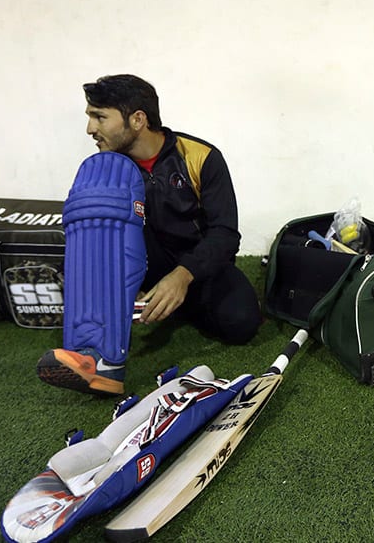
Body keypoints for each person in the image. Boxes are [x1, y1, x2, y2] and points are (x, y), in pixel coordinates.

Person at [37, 74, 261, 394]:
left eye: (99, 117)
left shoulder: (200, 156)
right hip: (143, 264)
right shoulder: (106, 171)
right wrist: (127, 284)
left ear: (138, 119)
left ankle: (176, 304)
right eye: (90, 117)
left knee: (241, 324)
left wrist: (182, 278)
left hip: (195, 265)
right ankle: (98, 360)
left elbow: (225, 234)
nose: (90, 129)